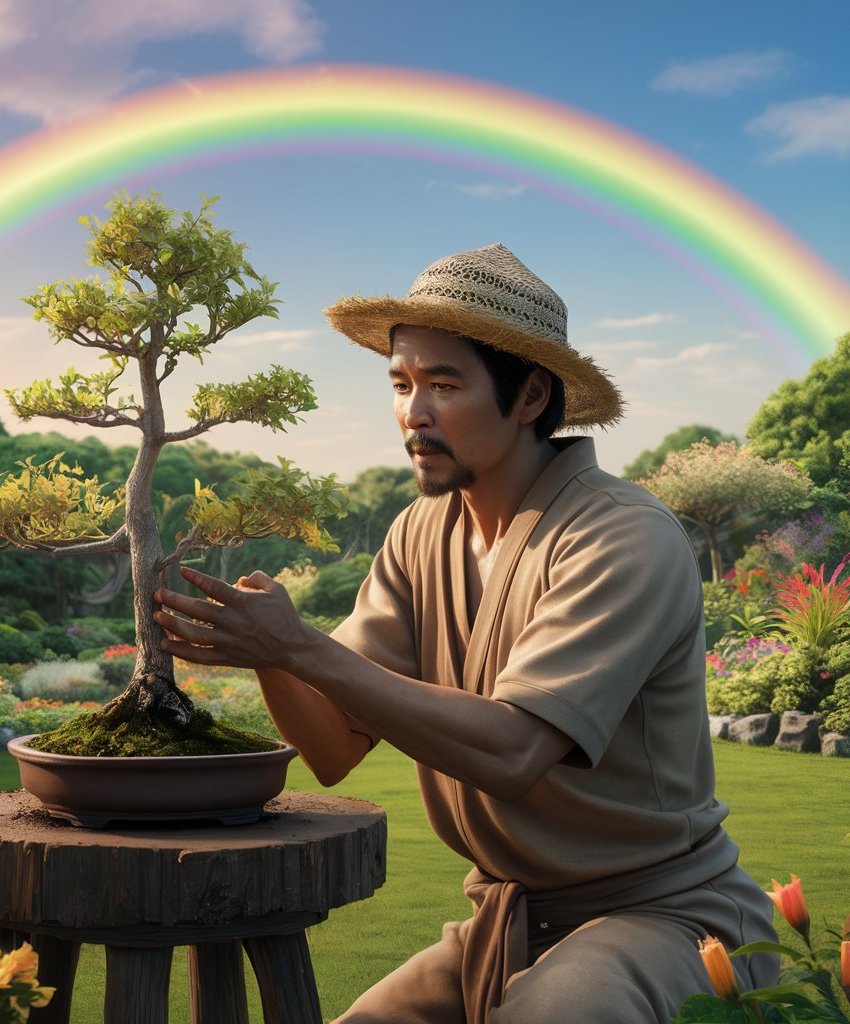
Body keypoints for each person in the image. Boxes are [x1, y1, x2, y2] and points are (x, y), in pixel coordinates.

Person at [153, 243, 778, 1023]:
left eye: (444, 385)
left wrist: (299, 647)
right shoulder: (422, 533)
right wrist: (267, 654)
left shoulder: (621, 538)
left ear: (529, 397)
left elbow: (514, 750)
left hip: (664, 914)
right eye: (403, 383)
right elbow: (335, 745)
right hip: (502, 923)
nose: (414, 413)